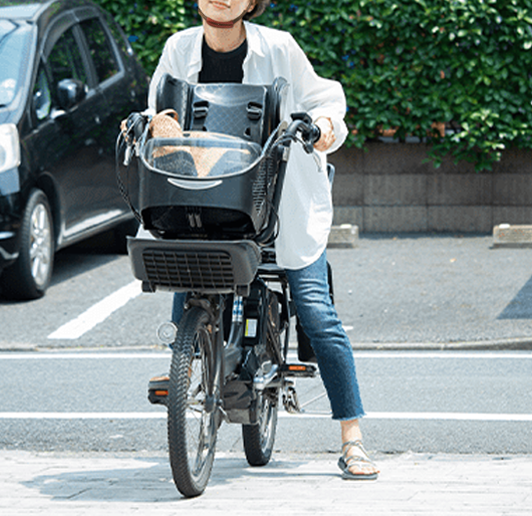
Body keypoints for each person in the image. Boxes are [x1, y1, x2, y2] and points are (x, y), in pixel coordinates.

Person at [144, 0, 378, 480]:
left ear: (252, 2)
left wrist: (323, 127)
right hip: (207, 197)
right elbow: (158, 107)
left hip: (278, 201)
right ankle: (183, 362)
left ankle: (352, 437)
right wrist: (158, 122)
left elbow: (326, 100)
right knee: (183, 260)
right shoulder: (178, 47)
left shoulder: (279, 47)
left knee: (314, 308)